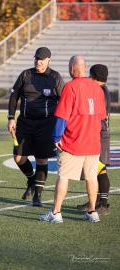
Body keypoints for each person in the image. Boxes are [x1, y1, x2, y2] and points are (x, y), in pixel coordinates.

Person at [40, 55, 107, 223]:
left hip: (73, 141)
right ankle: (92, 211)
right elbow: (101, 119)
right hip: (92, 142)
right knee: (92, 177)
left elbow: (62, 117)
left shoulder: (70, 87)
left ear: (72, 69)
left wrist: (56, 137)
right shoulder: (98, 89)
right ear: (84, 68)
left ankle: (56, 213)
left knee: (63, 176)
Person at [7, 47, 65, 206]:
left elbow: (63, 100)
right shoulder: (26, 74)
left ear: (48, 60)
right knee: (19, 158)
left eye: (41, 59)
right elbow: (14, 96)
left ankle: (37, 196)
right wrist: (11, 118)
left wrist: (61, 123)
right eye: (36, 58)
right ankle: (32, 180)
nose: (38, 61)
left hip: (46, 124)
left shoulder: (55, 77)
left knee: (41, 159)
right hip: (25, 122)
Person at [77, 64, 111, 215]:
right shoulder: (103, 89)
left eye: (90, 75)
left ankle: (103, 205)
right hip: (99, 132)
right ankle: (95, 201)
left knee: (100, 169)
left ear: (94, 76)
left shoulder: (99, 91)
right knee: (93, 170)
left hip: (99, 133)